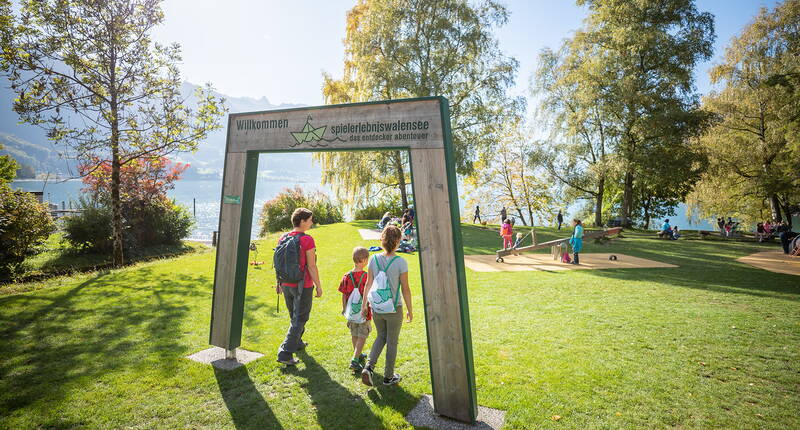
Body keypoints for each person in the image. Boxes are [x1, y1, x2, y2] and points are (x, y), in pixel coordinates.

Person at [361, 225, 412, 386]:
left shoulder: (374, 259)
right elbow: (405, 289)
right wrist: (410, 310)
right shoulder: (400, 262)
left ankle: (368, 367)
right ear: (397, 242)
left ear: (382, 240)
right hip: (393, 308)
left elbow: (368, 284)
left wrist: (364, 305)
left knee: (381, 336)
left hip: (376, 306)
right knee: (392, 342)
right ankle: (388, 376)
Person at [276, 208, 323, 366]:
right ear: (302, 221)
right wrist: (318, 286)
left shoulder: (283, 238)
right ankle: (285, 352)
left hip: (286, 283)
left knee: (294, 317)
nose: (311, 222)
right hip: (302, 285)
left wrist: (278, 283)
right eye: (310, 220)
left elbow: (279, 264)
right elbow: (311, 266)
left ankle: (297, 342)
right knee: (300, 317)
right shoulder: (307, 240)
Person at [338, 246, 371, 372]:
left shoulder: (346, 276)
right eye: (367, 259)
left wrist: (344, 308)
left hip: (351, 311)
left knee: (354, 333)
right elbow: (369, 294)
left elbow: (343, 294)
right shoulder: (367, 276)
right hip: (364, 311)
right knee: (362, 334)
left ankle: (358, 353)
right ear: (363, 260)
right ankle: (355, 359)